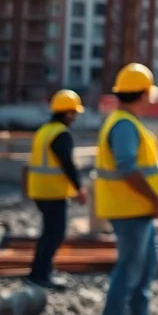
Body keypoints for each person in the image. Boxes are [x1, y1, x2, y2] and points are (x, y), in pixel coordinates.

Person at [96, 63, 158, 315]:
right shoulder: (125, 125)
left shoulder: (127, 122)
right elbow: (127, 167)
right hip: (130, 210)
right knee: (129, 271)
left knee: (146, 266)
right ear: (143, 94)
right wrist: (156, 200)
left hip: (137, 210)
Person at [24, 89, 88, 289]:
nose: (75, 117)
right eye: (74, 113)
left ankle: (39, 272)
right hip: (52, 192)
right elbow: (67, 164)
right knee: (55, 233)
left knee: (48, 232)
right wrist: (79, 188)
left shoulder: (44, 130)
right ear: (68, 113)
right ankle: (40, 275)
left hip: (40, 189)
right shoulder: (60, 134)